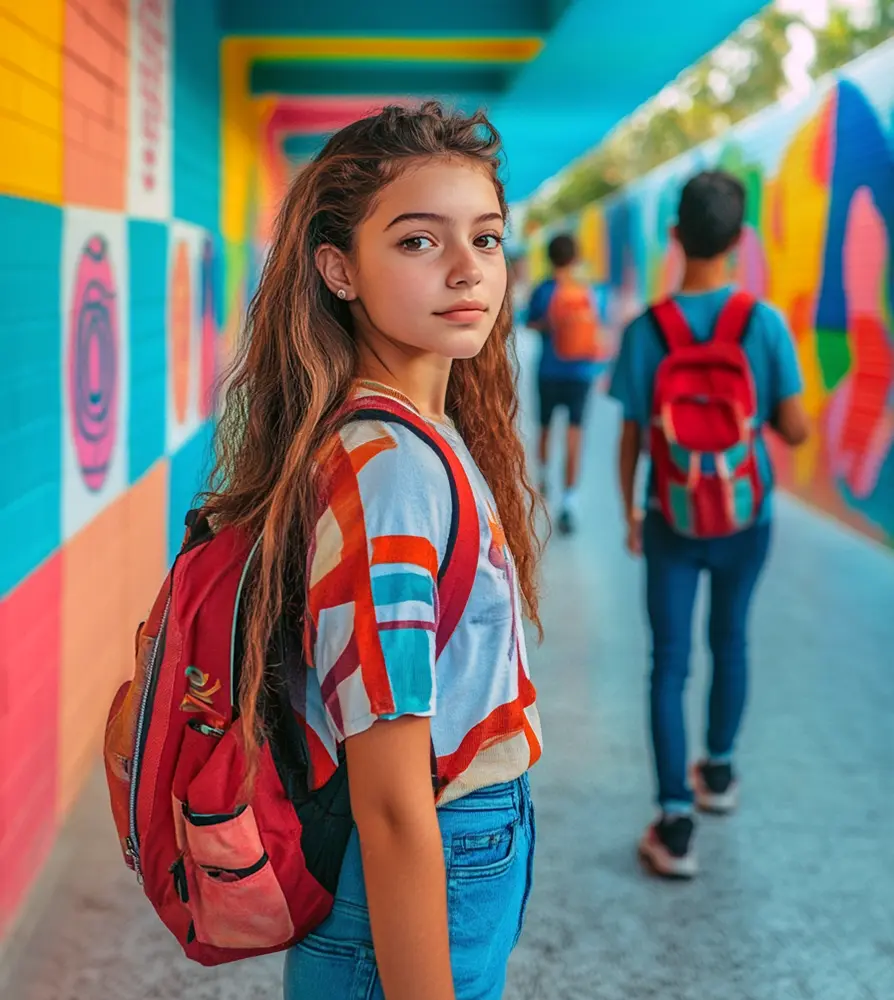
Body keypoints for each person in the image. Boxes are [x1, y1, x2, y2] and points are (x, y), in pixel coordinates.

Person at [203, 103, 542, 999]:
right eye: (419, 243)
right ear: (338, 269)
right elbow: (390, 801)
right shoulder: (387, 469)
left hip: (456, 852)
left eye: (488, 238)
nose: (469, 269)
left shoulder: (421, 430)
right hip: (422, 860)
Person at [608, 170, 809, 878]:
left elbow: (632, 434)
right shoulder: (765, 324)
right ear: (741, 239)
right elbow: (795, 428)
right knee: (731, 640)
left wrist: (634, 509)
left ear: (675, 238)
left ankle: (674, 820)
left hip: (671, 516)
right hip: (745, 517)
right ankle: (717, 774)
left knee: (669, 663)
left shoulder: (645, 331)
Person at [525, 233, 603, 535]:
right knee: (574, 434)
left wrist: (549, 325)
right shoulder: (586, 289)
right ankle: (570, 502)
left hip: (549, 371)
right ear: (574, 257)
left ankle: (544, 476)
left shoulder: (543, 290)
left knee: (545, 427)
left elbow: (531, 323)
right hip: (581, 373)